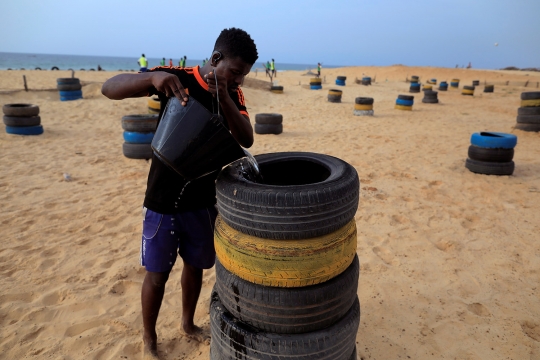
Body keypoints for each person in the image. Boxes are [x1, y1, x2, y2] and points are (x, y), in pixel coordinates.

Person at [101, 27, 257, 360]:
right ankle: (149, 338)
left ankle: (187, 324)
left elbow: (246, 139)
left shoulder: (234, 94)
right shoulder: (177, 78)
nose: (239, 80)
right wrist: (152, 78)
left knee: (196, 266)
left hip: (202, 201)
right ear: (216, 59)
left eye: (243, 75)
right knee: (156, 275)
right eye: (234, 72)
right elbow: (109, 87)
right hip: (161, 198)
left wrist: (227, 94)